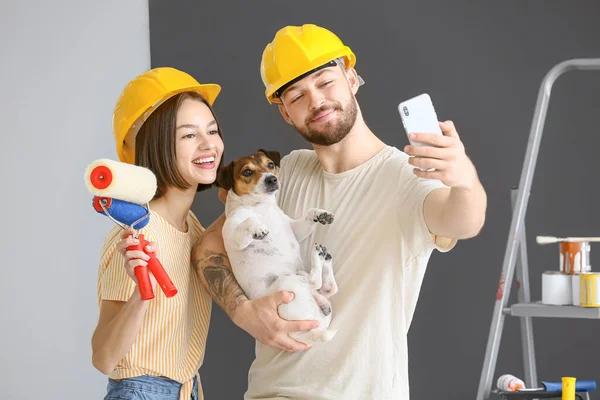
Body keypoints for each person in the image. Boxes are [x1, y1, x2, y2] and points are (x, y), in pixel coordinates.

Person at [194, 24, 487, 399]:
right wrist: (243, 311)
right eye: (297, 95)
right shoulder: (285, 174)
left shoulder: (408, 178)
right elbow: (207, 248)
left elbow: (465, 220)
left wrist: (463, 179)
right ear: (285, 112)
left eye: (325, 81)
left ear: (351, 78)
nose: (315, 101)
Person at [91, 67, 224, 400]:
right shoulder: (136, 233)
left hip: (188, 389)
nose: (209, 144)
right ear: (156, 144)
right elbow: (104, 358)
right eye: (189, 135)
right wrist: (141, 293)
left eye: (212, 130)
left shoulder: (192, 228)